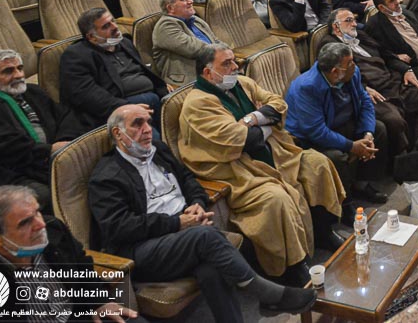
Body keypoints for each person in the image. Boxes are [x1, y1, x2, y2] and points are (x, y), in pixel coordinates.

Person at [89, 105, 317, 320]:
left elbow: (188, 179)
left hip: (183, 235)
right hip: (143, 249)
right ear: (118, 134)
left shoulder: (158, 151)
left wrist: (197, 202)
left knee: (210, 268)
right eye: (137, 124)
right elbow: (119, 227)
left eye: (148, 122)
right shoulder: (107, 176)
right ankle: (269, 295)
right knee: (206, 237)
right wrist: (177, 223)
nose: (147, 129)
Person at [179, 45, 346, 281]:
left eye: (234, 60)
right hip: (237, 169)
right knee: (276, 199)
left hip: (276, 152)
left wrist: (253, 118)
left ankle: (323, 231)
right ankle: (292, 266)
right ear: (207, 73)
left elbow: (278, 104)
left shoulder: (242, 83)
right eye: (226, 63)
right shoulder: (198, 104)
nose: (235, 67)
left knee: (317, 163)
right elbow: (245, 139)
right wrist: (266, 124)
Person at [0, 186, 138, 322]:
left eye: (37, 212)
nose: (41, 224)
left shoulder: (54, 229)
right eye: (25, 223)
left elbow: (82, 267)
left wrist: (99, 302)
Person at [0, 50, 84, 210]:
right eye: (8, 71)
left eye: (19, 68)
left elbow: (66, 117)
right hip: (10, 170)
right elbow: (0, 145)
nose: (18, 75)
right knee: (47, 194)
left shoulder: (33, 91)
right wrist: (48, 150)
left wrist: (63, 144)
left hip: (50, 158)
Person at [285, 41, 393, 205]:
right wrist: (352, 146)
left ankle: (362, 185)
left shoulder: (352, 73)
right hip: (311, 138)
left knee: (378, 129)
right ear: (335, 72)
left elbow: (365, 102)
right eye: (349, 63)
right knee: (335, 157)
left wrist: (367, 134)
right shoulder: (306, 87)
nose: (354, 65)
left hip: (342, 122)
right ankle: (345, 202)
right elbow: (316, 131)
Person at [60, 8, 169, 129]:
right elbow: (86, 95)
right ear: (92, 37)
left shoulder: (124, 42)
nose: (115, 27)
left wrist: (162, 87)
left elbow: (144, 72)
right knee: (151, 137)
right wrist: (125, 107)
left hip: (152, 99)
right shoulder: (76, 55)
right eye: (106, 26)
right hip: (117, 110)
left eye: (113, 21)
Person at [152, 0, 222, 87]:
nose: (191, 1)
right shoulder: (165, 26)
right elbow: (195, 49)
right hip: (188, 80)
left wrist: (228, 54)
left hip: (213, 70)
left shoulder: (196, 20)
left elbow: (215, 40)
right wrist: (223, 53)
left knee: (242, 84)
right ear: (170, 8)